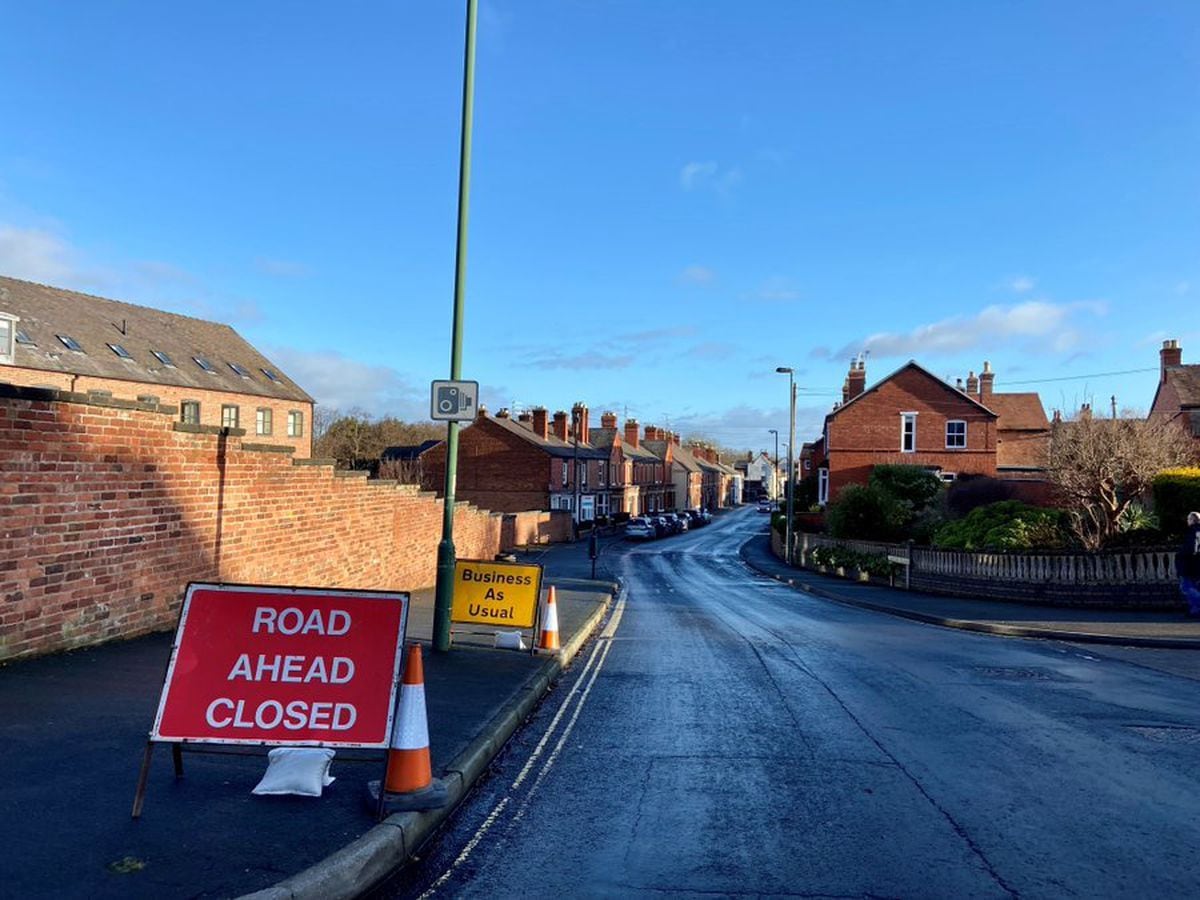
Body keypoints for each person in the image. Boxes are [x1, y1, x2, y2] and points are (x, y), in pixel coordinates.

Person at [1177, 511, 1200, 616]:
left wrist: (1181, 556)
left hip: (1190, 563)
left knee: (1186, 587)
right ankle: (1194, 610)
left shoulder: (1193, 531)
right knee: (1194, 586)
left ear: (1192, 520)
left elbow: (1191, 548)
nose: (1187, 521)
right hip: (1196, 564)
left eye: (1188, 519)